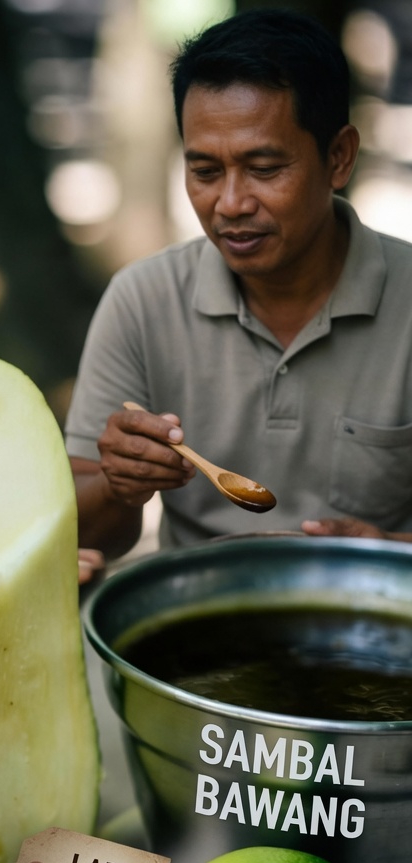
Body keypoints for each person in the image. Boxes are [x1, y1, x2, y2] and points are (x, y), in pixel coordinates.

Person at [65, 8, 412, 560]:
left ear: (339, 156)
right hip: (194, 620)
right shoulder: (143, 301)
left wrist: (392, 551)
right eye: (205, 172)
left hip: (381, 616)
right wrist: (119, 485)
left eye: (265, 168)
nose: (230, 204)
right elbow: (86, 541)